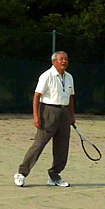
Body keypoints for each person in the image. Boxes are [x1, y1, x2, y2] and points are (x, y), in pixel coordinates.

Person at [14, 51, 75, 187]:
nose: (64, 61)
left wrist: (71, 115)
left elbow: (70, 97)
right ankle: (21, 173)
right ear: (54, 61)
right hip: (48, 111)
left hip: (64, 113)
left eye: (66, 59)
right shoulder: (46, 76)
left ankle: (54, 176)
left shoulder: (69, 77)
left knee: (62, 146)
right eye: (61, 59)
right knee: (39, 144)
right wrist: (36, 117)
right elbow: (37, 96)